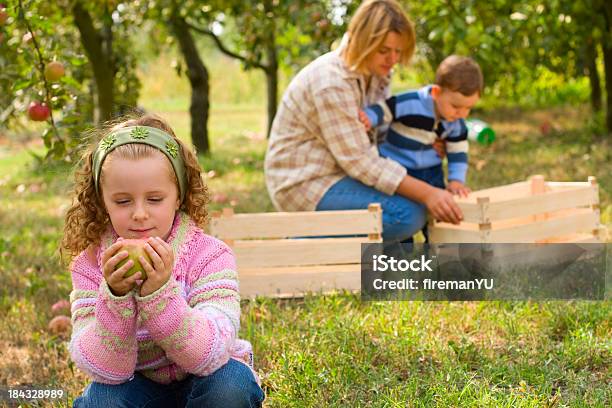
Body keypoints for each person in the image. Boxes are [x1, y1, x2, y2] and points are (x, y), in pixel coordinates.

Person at [62, 114, 264, 408]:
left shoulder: (210, 256)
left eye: (155, 199)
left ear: (178, 196)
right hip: (138, 384)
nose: (140, 213)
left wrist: (159, 295)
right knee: (101, 400)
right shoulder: (91, 266)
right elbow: (104, 370)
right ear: (102, 200)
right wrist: (116, 296)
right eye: (122, 201)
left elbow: (208, 354)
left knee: (230, 387)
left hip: (206, 376)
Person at [265, 0, 463, 244]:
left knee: (410, 205)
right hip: (305, 181)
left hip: (341, 172)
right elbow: (360, 161)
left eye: (398, 51)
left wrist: (423, 140)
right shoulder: (331, 82)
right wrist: (429, 193)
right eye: (384, 50)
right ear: (363, 40)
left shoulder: (375, 72)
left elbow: (380, 135)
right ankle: (299, 242)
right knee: (407, 214)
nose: (393, 59)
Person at [358, 55, 483, 239]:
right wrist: (369, 116)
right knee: (401, 210)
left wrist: (456, 180)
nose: (461, 114)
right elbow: (386, 109)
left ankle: (437, 246)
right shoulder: (411, 102)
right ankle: (399, 250)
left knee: (439, 212)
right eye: (456, 106)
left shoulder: (456, 123)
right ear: (436, 93)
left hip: (431, 172)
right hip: (400, 168)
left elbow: (458, 153)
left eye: (468, 108)